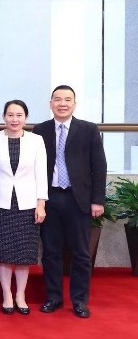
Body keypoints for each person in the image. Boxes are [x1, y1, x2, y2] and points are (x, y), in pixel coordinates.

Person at [33, 85, 107, 319]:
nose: (62, 104)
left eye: (67, 99)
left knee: (81, 253)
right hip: (50, 198)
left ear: (74, 104)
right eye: (57, 99)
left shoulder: (88, 129)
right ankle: (54, 298)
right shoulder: (40, 130)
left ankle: (80, 300)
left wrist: (97, 200)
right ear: (50, 103)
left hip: (79, 199)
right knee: (50, 252)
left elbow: (99, 167)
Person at [0, 100, 47, 315]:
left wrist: (41, 204)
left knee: (24, 252)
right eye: (10, 115)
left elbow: (41, 173)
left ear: (26, 117)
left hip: (27, 203)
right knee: (4, 251)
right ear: (4, 117)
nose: (14, 119)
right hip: (1, 201)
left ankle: (20, 295)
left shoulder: (36, 140)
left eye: (19, 115)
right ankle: (7, 294)